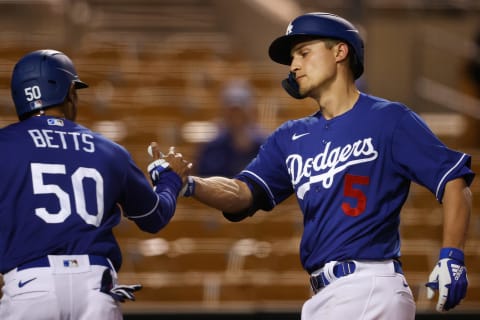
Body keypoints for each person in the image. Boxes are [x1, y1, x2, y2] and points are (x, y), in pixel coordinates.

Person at [152, 12, 475, 319]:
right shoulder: (291, 137)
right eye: (293, 57)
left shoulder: (388, 119)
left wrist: (452, 256)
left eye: (303, 53)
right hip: (324, 295)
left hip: (369, 285)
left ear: (340, 51)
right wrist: (190, 184)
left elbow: (452, 180)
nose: (293, 65)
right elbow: (243, 191)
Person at [0, 49, 191, 320]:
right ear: (67, 92)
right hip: (95, 287)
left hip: (29, 287)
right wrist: (170, 179)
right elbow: (154, 217)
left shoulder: (4, 146)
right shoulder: (108, 150)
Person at [195, 79, 265, 177]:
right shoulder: (212, 149)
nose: (236, 117)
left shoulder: (265, 147)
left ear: (251, 111)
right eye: (232, 112)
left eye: (240, 112)